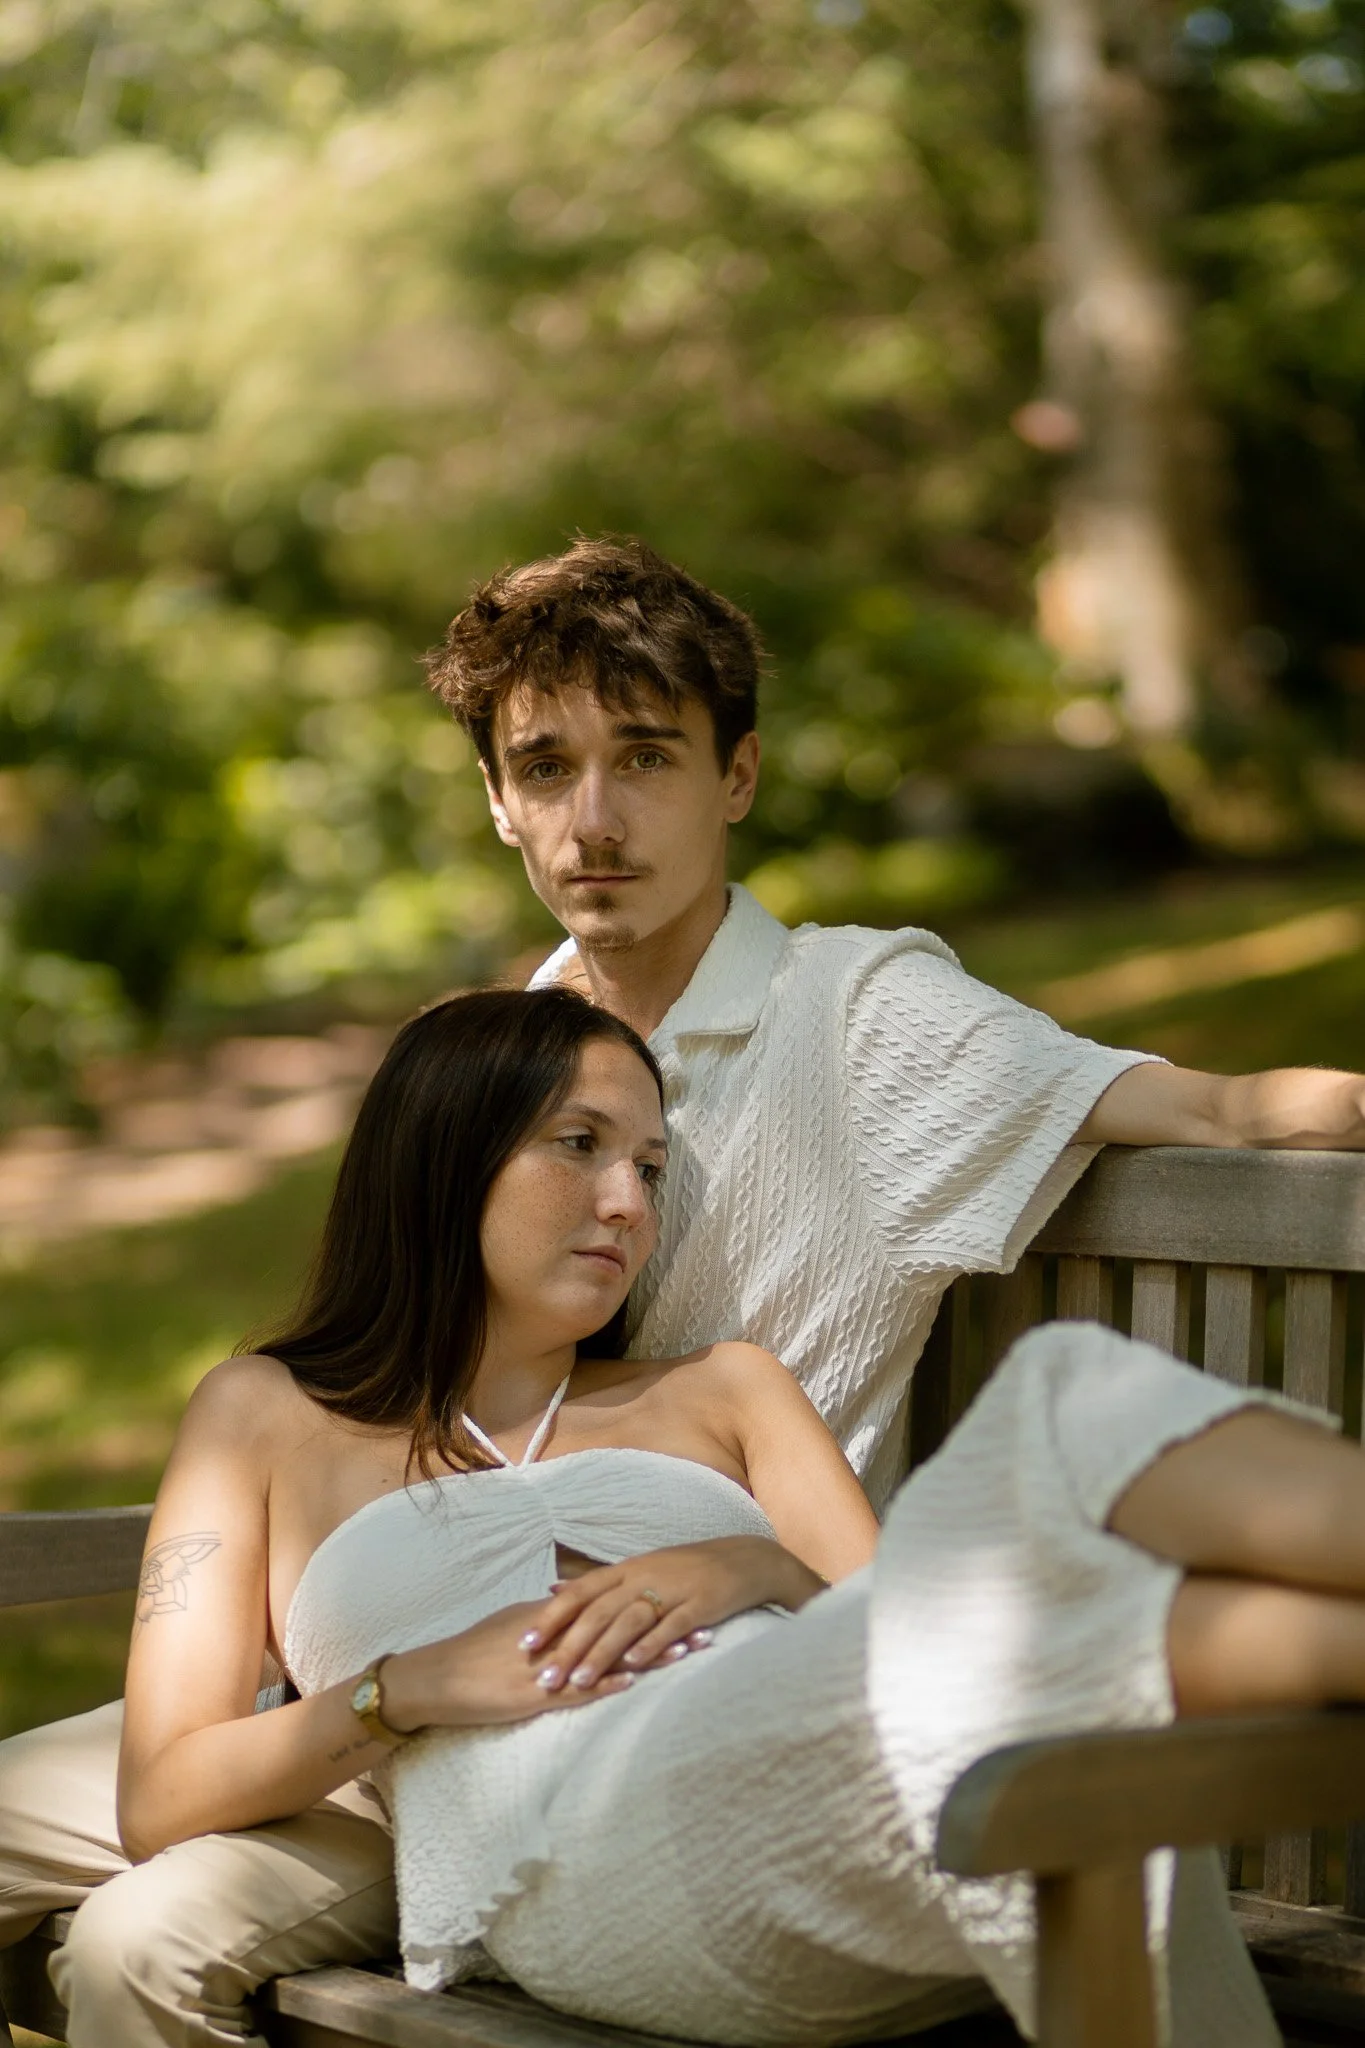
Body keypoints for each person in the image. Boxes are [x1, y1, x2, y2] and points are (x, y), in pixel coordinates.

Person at [2, 536, 1364, 2044]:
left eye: (645, 755)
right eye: (548, 766)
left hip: (754, 1674)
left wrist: (747, 1572)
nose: (596, 818)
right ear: (498, 800)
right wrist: (374, 1674)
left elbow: (1217, 1112)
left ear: (739, 776)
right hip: (418, 1705)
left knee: (139, 1930)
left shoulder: (861, 1024)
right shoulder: (511, 1036)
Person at [62, 986, 1365, 2048]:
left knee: (1061, 1391)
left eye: (648, 1164)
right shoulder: (266, 1415)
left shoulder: (723, 1391)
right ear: (443, 1153)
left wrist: (759, 1565)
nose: (628, 1204)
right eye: (578, 1146)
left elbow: (905, 1631)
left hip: (884, 1776)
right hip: (577, 1851)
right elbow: (162, 1793)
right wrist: (405, 1689)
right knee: (1035, 1510)